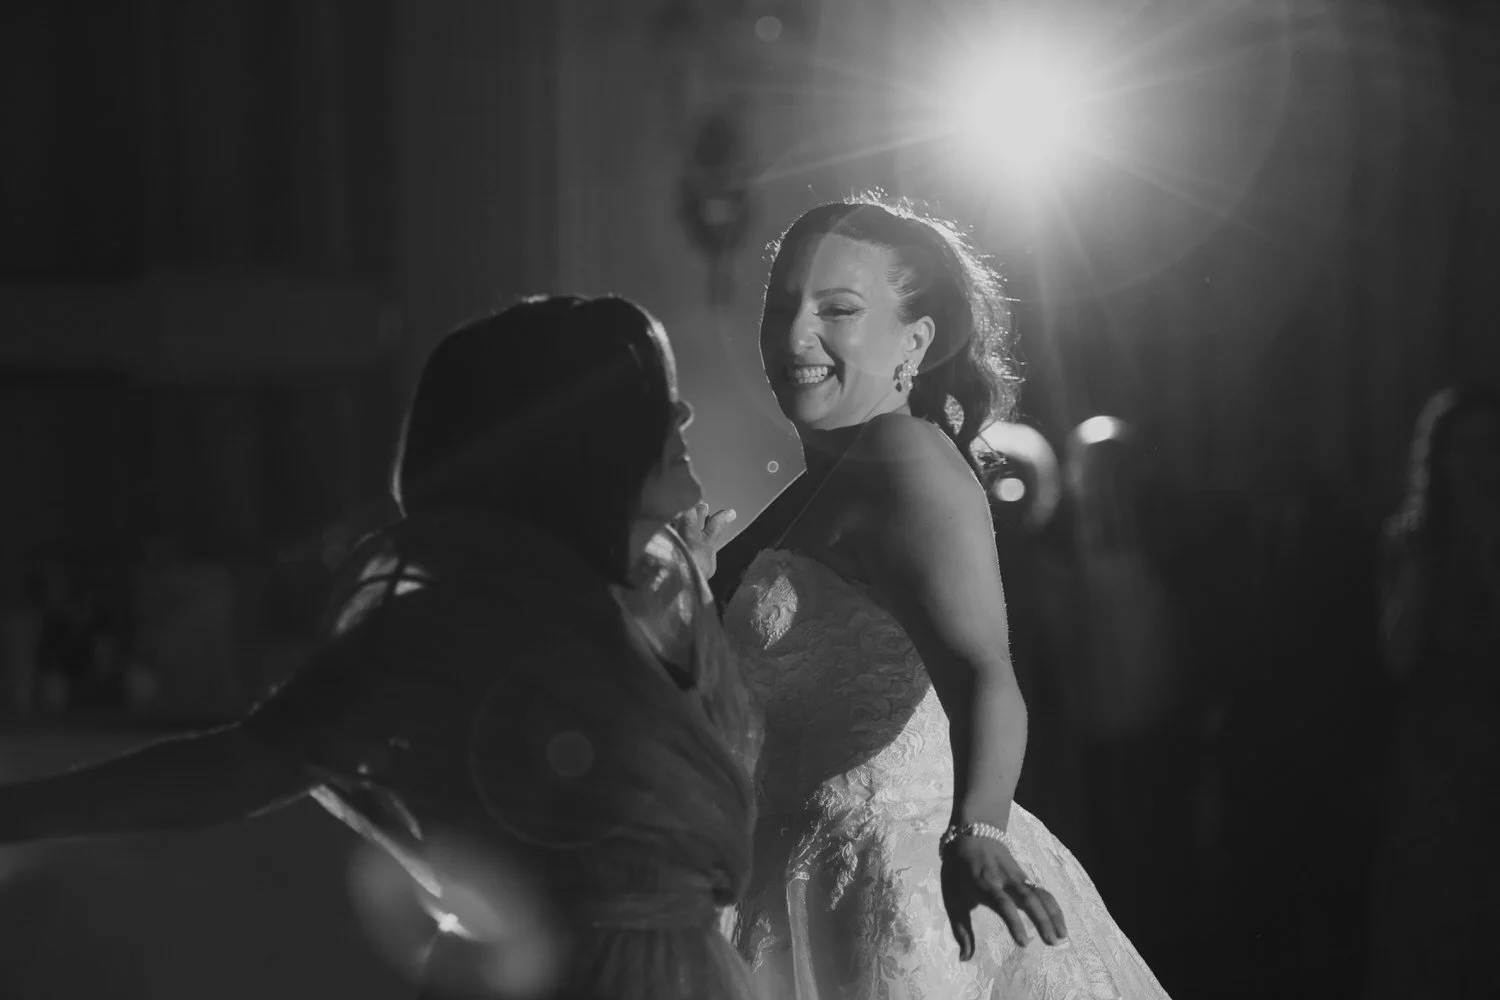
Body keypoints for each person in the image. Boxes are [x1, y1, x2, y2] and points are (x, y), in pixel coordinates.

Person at [0, 295, 758, 1000]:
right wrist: (17, 811)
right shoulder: (462, 622)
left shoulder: (667, 586)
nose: (683, 411)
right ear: (570, 440)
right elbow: (237, 767)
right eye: (648, 396)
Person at [701, 198, 1173, 997]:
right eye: (781, 308)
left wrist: (979, 828)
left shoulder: (901, 454)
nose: (794, 337)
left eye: (838, 311)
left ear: (915, 342)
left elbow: (985, 673)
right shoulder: (815, 489)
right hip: (778, 876)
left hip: (888, 877)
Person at [1366, 384, 1500, 1000]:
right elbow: (1398, 655)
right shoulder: (1413, 538)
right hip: (1439, 746)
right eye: (1462, 449)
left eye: (1488, 447)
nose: (1475, 463)